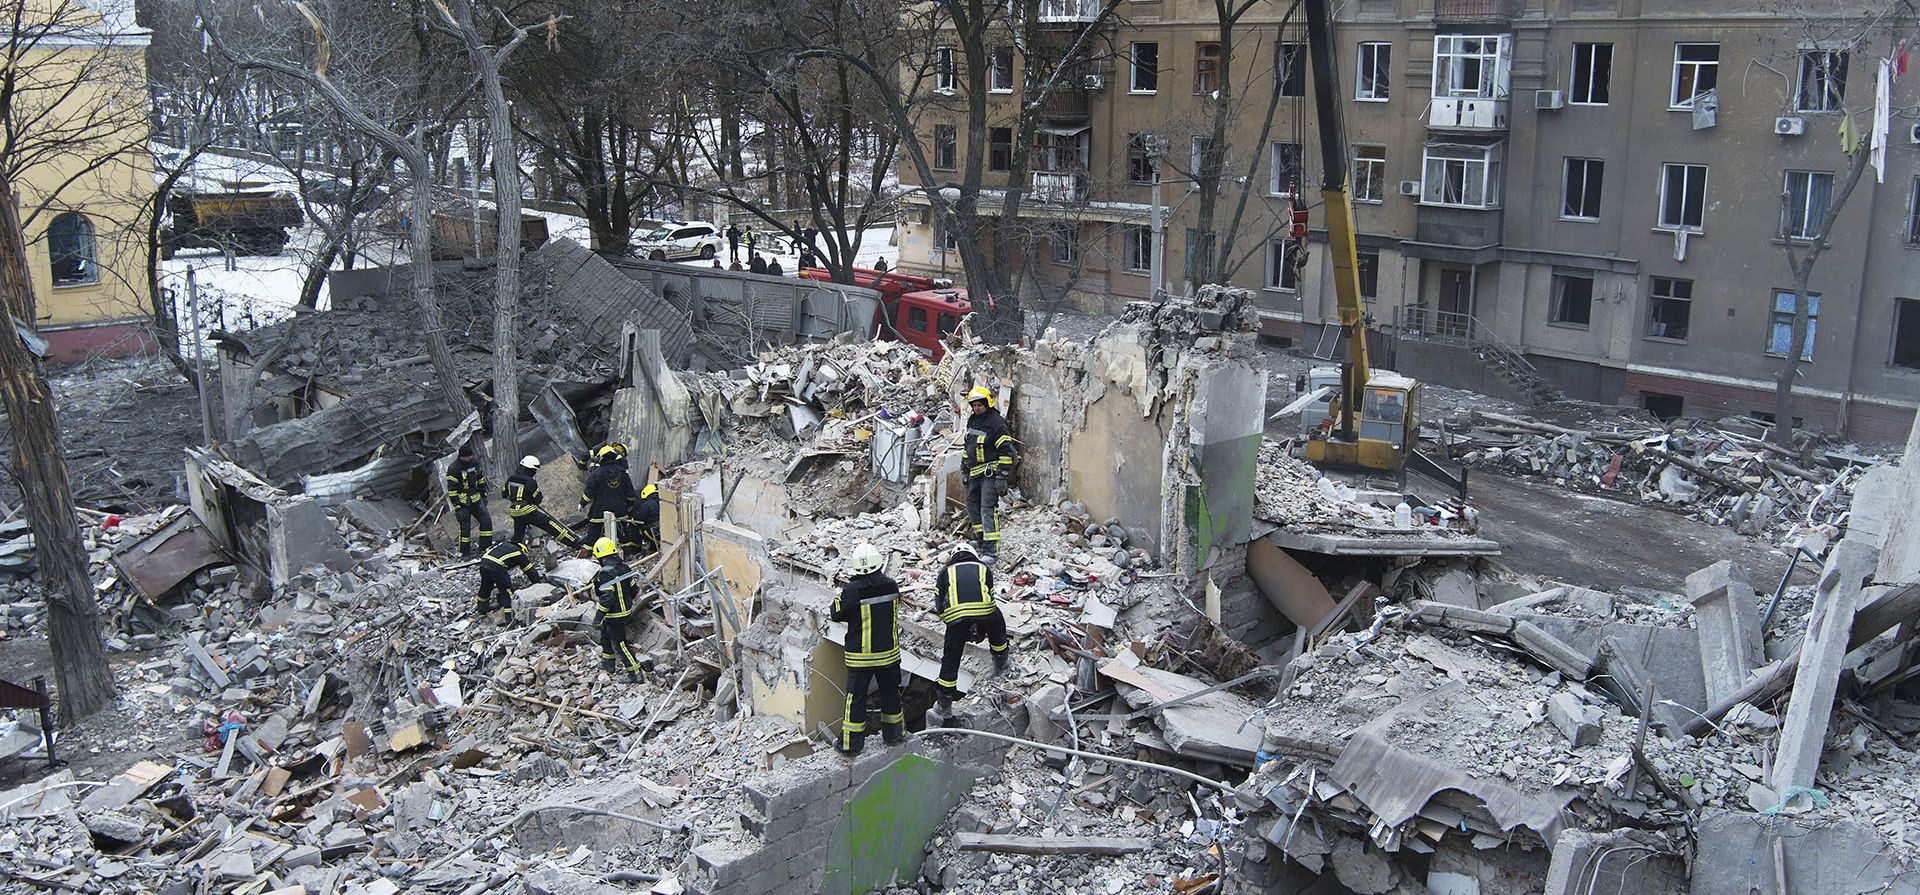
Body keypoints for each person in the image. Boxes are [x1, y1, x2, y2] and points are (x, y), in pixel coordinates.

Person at [830, 543, 904, 756]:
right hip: (889, 655)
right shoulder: (891, 586)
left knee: (856, 699)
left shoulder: (852, 590)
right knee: (891, 694)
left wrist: (841, 597)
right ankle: (894, 736)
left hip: (860, 658)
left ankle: (851, 745)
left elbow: (836, 613)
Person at [934, 546, 1011, 713]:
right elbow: (989, 596)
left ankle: (944, 702)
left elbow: (939, 603)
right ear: (974, 555)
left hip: (956, 616)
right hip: (985, 611)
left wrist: (952, 624)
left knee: (951, 657)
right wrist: (982, 627)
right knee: (997, 623)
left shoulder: (944, 572)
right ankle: (1000, 660)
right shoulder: (983, 568)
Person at [962, 386, 1016, 562]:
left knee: (987, 509)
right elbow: (967, 446)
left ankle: (991, 550)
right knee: (972, 506)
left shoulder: (997, 422)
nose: (977, 408)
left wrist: (1002, 476)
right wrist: (964, 470)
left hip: (990, 472)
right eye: (974, 405)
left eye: (980, 405)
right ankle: (981, 540)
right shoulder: (972, 420)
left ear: (987, 403)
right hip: (974, 472)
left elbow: (1006, 451)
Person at [592, 537, 642, 680]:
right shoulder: (624, 567)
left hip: (615, 614)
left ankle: (635, 673)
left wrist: (598, 617)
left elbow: (607, 598)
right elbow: (634, 590)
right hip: (624, 611)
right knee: (605, 636)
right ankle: (608, 663)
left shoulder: (605, 573)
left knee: (620, 644)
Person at [504, 455, 581, 549]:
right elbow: (538, 499)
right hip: (526, 510)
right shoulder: (530, 481)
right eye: (534, 470)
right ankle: (575, 542)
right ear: (530, 469)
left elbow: (505, 495)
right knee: (550, 524)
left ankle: (511, 553)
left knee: (518, 536)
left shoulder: (510, 479)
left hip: (514, 511)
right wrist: (529, 500)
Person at [580, 443, 638, 546]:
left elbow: (589, 491)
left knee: (593, 534)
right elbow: (630, 492)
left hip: (600, 510)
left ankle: (588, 553)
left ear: (601, 458)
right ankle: (626, 553)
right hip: (620, 510)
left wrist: (582, 503)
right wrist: (629, 505)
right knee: (622, 534)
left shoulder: (596, 473)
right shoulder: (622, 471)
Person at [476, 538, 543, 623]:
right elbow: (529, 570)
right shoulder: (519, 553)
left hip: (484, 562)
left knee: (486, 585)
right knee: (506, 591)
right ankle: (509, 618)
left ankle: (482, 607)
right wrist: (537, 583)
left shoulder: (504, 544)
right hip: (497, 565)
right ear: (523, 550)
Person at [445, 445, 492, 557]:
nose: (470, 458)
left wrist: (483, 493)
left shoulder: (474, 463)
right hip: (463, 502)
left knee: (486, 522)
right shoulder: (454, 468)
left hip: (476, 499)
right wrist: (457, 505)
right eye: (468, 457)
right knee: (465, 529)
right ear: (462, 457)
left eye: (471, 456)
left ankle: (485, 548)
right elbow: (452, 490)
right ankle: (465, 553)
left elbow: (480, 478)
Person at [632, 482, 661, 554]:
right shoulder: (661, 501)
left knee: (642, 528)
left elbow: (637, 519)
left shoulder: (647, 504)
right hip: (664, 530)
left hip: (654, 531)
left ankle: (650, 547)